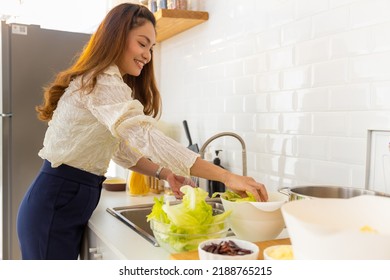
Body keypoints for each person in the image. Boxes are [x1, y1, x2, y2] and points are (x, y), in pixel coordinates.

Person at [16, 3, 268, 260]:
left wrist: (164, 173)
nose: (147, 55)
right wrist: (227, 177)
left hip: (68, 199)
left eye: (151, 47)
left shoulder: (105, 81)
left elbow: (119, 149)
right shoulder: (101, 81)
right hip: (56, 201)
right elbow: (145, 136)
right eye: (142, 43)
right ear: (117, 37)